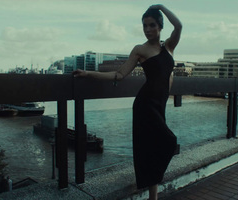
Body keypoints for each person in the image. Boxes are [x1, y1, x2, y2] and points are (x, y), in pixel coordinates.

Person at [73, 4, 182, 200]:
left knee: (154, 148)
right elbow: (119, 74)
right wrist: (88, 73)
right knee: (167, 142)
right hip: (145, 105)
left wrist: (161, 6)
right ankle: (152, 188)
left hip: (160, 104)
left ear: (160, 26)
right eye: (144, 26)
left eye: (152, 25)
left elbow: (179, 25)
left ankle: (152, 196)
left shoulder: (169, 46)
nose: (148, 29)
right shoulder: (140, 49)